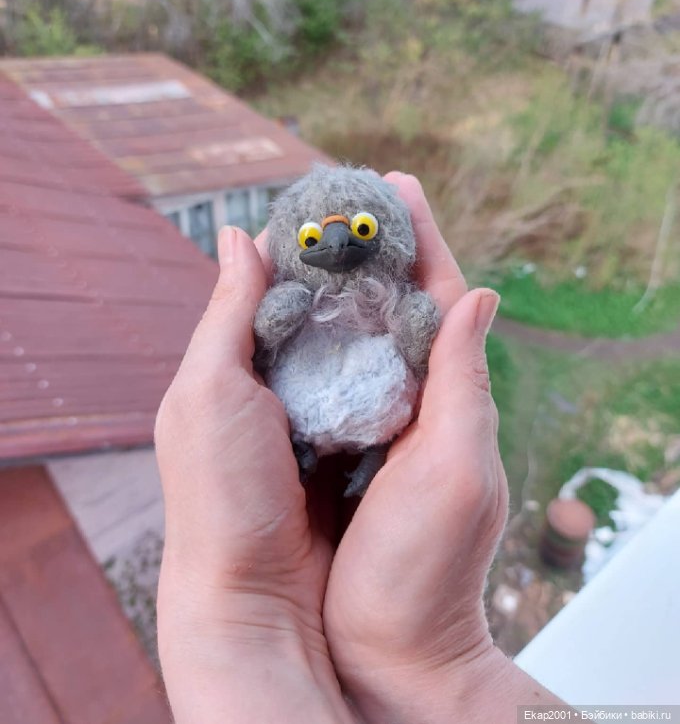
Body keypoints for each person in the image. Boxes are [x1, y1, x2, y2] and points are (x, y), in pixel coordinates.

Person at [154, 172, 562, 723]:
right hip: (304, 408)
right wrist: (431, 663)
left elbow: (417, 334)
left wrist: (238, 619)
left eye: (362, 229)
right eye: (315, 236)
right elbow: (269, 330)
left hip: (378, 412)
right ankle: (305, 452)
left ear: (386, 234)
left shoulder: (391, 301)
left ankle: (372, 458)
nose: (340, 245)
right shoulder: (295, 296)